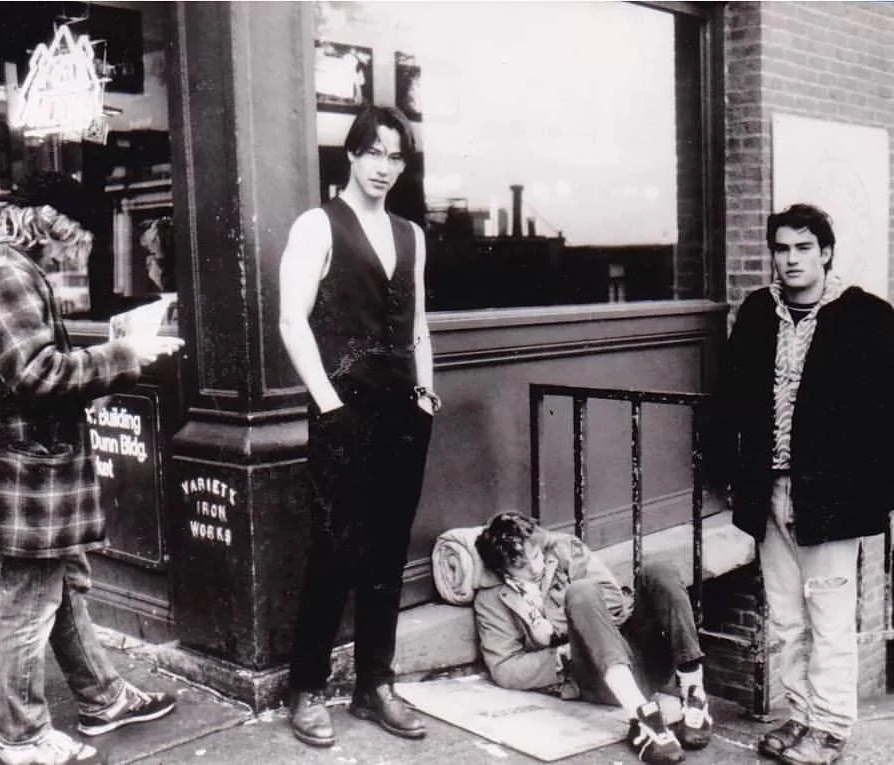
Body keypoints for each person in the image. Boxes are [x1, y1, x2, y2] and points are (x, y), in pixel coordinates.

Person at [0, 171, 185, 765]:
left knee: (60, 585)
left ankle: (103, 698)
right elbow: (37, 373)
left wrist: (97, 364)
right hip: (23, 470)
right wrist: (124, 355)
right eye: (69, 241)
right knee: (30, 602)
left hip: (12, 462)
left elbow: (19, 371)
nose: (65, 256)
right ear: (52, 222)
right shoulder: (3, 271)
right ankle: (21, 736)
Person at [711, 204, 894, 765]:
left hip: (830, 497)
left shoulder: (866, 315)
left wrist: (880, 494)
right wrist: (728, 475)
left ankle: (830, 727)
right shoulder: (757, 312)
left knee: (828, 615)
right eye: (781, 248)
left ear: (825, 252)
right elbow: (730, 398)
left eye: (803, 248)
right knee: (785, 615)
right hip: (766, 489)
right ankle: (799, 715)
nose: (791, 259)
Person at [278, 105, 437, 748]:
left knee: (389, 552)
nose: (385, 166)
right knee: (334, 550)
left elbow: (419, 324)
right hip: (343, 414)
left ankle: (374, 684)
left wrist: (426, 393)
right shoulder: (317, 225)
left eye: (396, 156)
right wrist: (329, 406)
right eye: (374, 152)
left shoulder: (411, 234)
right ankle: (306, 688)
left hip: (403, 414)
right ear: (351, 154)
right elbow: (292, 321)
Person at [473, 511, 712, 764]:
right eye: (520, 566)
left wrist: (555, 630)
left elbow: (613, 600)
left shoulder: (564, 549)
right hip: (597, 677)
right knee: (582, 590)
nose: (534, 568)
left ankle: (694, 693)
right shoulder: (491, 600)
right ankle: (642, 718)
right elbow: (504, 667)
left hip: (640, 656)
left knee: (659, 569)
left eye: (534, 556)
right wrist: (560, 656)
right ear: (502, 569)